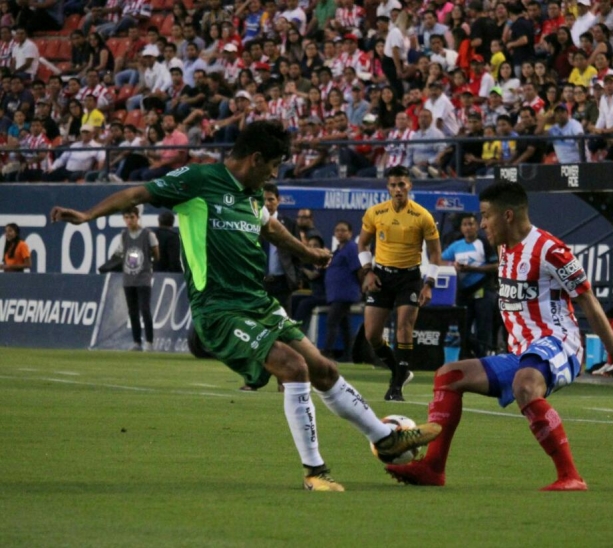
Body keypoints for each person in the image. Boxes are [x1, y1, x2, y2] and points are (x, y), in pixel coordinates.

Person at [50, 121, 441, 492]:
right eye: (270, 166)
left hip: (256, 301)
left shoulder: (253, 195)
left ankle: (385, 439)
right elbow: (137, 193)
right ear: (254, 159)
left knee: (324, 368)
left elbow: (270, 227)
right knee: (294, 367)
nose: (271, 176)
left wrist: (307, 252)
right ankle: (314, 471)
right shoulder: (198, 181)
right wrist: (87, 215)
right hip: (218, 310)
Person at [385, 182, 613, 490]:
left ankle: (571, 477)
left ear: (508, 216)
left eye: (486, 216)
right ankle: (433, 468)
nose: (482, 224)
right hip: (522, 351)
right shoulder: (503, 249)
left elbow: (587, 298)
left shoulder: (551, 251)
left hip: (559, 344)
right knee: (448, 376)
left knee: (525, 384)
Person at [358, 165, 443, 401]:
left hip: (409, 278)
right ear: (388, 187)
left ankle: (395, 388)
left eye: (402, 184)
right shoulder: (375, 213)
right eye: (393, 185)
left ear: (409, 186)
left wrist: (429, 284)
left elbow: (436, 254)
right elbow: (363, 244)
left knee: (405, 327)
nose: (398, 189)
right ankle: (400, 371)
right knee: (372, 334)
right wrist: (368, 272)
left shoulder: (422, 216)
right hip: (382, 277)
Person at [441, 213, 498, 358]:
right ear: (461, 228)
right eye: (465, 225)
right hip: (463, 293)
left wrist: (473, 269)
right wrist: (451, 264)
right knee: (463, 329)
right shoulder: (456, 246)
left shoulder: (484, 243)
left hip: (483, 290)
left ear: (477, 226)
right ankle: (468, 356)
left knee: (483, 328)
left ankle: (483, 358)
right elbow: (439, 260)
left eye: (471, 224)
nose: (468, 228)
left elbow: (497, 266)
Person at [114, 206, 159, 351]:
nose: (129, 221)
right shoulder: (123, 235)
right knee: (132, 311)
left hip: (143, 278)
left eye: (132, 217)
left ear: (137, 217)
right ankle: (136, 341)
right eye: (126, 218)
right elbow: (120, 253)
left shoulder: (148, 234)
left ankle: (150, 341)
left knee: (144, 309)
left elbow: (156, 253)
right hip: (128, 278)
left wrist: (149, 264)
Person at [322, 221, 362, 362]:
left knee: (332, 321)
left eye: (343, 230)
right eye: (337, 230)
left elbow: (358, 269)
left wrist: (361, 289)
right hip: (336, 293)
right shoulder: (338, 249)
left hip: (346, 293)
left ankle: (326, 354)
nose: (340, 233)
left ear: (350, 233)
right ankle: (349, 355)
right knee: (344, 325)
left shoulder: (351, 248)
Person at [260, 182, 300, 314]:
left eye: (271, 199)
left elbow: (297, 253)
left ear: (279, 200)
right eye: (263, 199)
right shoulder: (252, 223)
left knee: (283, 325)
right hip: (259, 283)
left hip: (282, 284)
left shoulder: (290, 224)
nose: (267, 203)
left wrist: (295, 279)